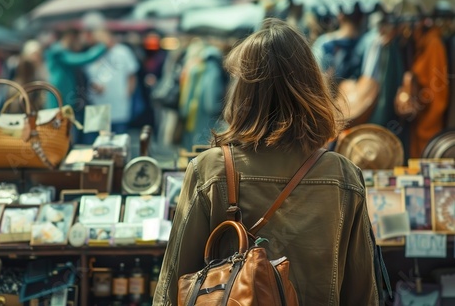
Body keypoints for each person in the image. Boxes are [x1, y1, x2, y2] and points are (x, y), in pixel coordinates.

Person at [153, 18, 382, 305]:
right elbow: (362, 292)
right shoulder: (344, 176)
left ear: (244, 92)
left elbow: (174, 282)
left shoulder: (210, 169)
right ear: (312, 86)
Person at [83, 29, 138, 142]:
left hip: (118, 106)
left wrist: (126, 94)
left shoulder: (122, 52)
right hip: (97, 108)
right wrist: (94, 87)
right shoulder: (91, 54)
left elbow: (132, 75)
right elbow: (86, 77)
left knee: (118, 143)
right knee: (96, 144)